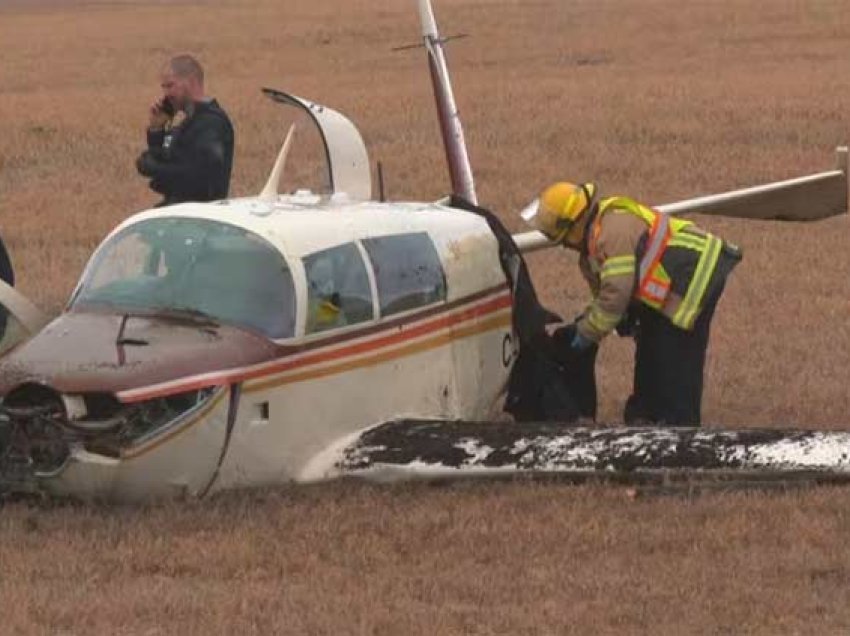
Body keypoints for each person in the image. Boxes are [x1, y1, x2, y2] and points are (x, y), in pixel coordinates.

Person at [521, 182, 742, 426]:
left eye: (559, 237)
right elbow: (607, 298)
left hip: (694, 275)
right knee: (652, 344)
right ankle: (648, 414)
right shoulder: (594, 244)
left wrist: (585, 333)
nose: (562, 244)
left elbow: (615, 297)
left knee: (676, 353)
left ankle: (680, 428)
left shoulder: (611, 233)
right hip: (676, 282)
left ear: (572, 225)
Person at [136, 54, 234, 206]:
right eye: (164, 87)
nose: (166, 94)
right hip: (180, 211)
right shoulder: (188, 123)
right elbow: (164, 158)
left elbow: (198, 176)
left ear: (192, 82)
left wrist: (154, 169)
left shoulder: (211, 123)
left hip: (200, 218)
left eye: (170, 86)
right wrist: (157, 129)